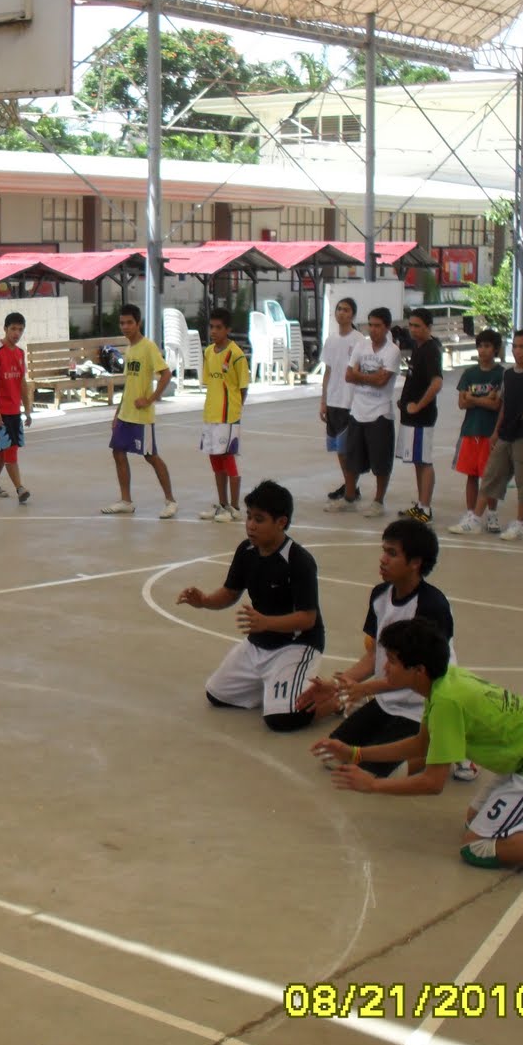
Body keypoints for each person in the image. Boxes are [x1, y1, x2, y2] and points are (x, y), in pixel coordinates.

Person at [309, 619, 523, 890]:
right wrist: (355, 753)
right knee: (475, 819)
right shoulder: (444, 682)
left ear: (418, 670)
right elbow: (422, 745)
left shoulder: (446, 701)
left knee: (477, 847)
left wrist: (373, 786)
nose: (385, 669)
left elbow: (432, 783)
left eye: (393, 662)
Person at [296, 520, 474, 780]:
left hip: (423, 705)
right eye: (384, 551)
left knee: (378, 772)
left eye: (392, 553)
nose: (382, 559)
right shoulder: (380, 595)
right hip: (388, 698)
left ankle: (453, 746)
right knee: (332, 755)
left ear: (415, 563)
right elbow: (374, 657)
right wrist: (337, 685)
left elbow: (420, 675)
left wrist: (366, 689)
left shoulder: (431, 606)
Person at [176, 480, 324, 731]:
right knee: (217, 695)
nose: (251, 525)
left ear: (281, 522)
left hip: (296, 646)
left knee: (282, 720)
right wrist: (204, 601)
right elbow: (230, 592)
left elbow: (307, 618)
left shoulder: (299, 561)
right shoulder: (246, 550)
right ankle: (276, 685)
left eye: (259, 519)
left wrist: (266, 623)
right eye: (249, 517)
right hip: (258, 643)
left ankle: (330, 696)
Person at [446, 328, 523, 541]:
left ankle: (519, 524)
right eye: (515, 346)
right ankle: (475, 519)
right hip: (506, 433)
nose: (518, 351)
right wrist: (497, 431)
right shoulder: (509, 374)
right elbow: (504, 405)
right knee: (491, 476)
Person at [102, 303, 178, 518]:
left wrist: (150, 399)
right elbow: (129, 384)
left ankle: (170, 500)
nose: (125, 327)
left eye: (129, 323)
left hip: (141, 416)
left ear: (138, 323)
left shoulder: (148, 347)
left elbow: (166, 374)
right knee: (118, 452)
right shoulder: (130, 349)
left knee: (151, 456)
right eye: (122, 323)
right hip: (125, 414)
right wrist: (117, 414)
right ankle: (126, 501)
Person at [338, 307, 402, 517]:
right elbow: (349, 375)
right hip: (358, 411)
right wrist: (370, 377)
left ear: (387, 327)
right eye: (371, 325)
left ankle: (378, 501)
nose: (373, 330)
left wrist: (360, 375)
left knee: (381, 461)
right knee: (351, 458)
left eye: (377, 326)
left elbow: (382, 381)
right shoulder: (361, 345)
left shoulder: (392, 351)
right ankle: (349, 498)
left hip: (380, 413)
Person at [198, 307, 251, 522]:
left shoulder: (236, 355)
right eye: (211, 327)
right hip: (210, 414)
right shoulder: (209, 352)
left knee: (228, 459)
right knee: (215, 460)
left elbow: (243, 387)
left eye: (218, 327)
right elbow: (210, 383)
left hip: (228, 415)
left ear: (228, 329)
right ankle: (222, 504)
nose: (214, 331)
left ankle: (235, 508)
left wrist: (235, 411)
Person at [451, 329, 504, 532]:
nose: (483, 350)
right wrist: (482, 399)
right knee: (471, 475)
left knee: (490, 477)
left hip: (490, 432)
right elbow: (462, 403)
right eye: (480, 346)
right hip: (470, 430)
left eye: (487, 346)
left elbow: (496, 404)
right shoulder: (469, 373)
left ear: (496, 349)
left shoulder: (500, 374)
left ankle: (492, 513)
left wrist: (473, 398)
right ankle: (471, 512)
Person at [395, 309, 443, 523]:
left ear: (428, 327)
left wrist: (418, 405)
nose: (413, 330)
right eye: (411, 325)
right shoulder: (418, 347)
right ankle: (421, 505)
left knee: (424, 461)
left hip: (422, 417)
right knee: (417, 460)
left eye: (418, 326)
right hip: (410, 416)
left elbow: (437, 382)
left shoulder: (431, 350)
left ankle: (425, 508)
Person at [320, 296, 365, 509]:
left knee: (347, 449)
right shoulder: (331, 340)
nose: (341, 312)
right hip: (333, 401)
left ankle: (350, 491)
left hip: (350, 402)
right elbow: (328, 371)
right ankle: (350, 486)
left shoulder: (359, 340)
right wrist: (323, 401)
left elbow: (361, 371)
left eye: (346, 310)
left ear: (353, 315)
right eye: (339, 309)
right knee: (339, 449)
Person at [0, 310, 32, 504]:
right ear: (5, 329)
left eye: (20, 330)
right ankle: (20, 488)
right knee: (10, 449)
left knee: (5, 449)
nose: (16, 333)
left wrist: (27, 409)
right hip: (0, 412)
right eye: (13, 329)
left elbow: (22, 382)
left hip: (15, 411)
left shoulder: (20, 353)